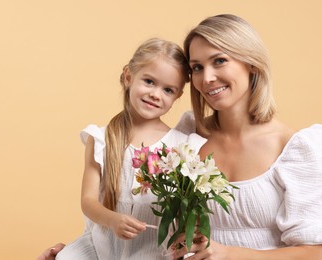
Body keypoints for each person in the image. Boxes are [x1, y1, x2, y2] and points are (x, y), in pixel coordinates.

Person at [170, 14, 322, 260]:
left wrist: (228, 254)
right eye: (197, 67)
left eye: (219, 61)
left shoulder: (296, 149)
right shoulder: (188, 135)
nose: (206, 78)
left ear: (251, 63)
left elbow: (312, 254)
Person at [45, 38, 206, 260]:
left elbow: (187, 207)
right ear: (129, 76)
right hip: (101, 244)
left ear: (177, 95)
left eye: (168, 90)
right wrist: (113, 220)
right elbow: (88, 201)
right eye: (149, 81)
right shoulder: (102, 139)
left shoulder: (182, 146)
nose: (156, 94)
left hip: (153, 250)